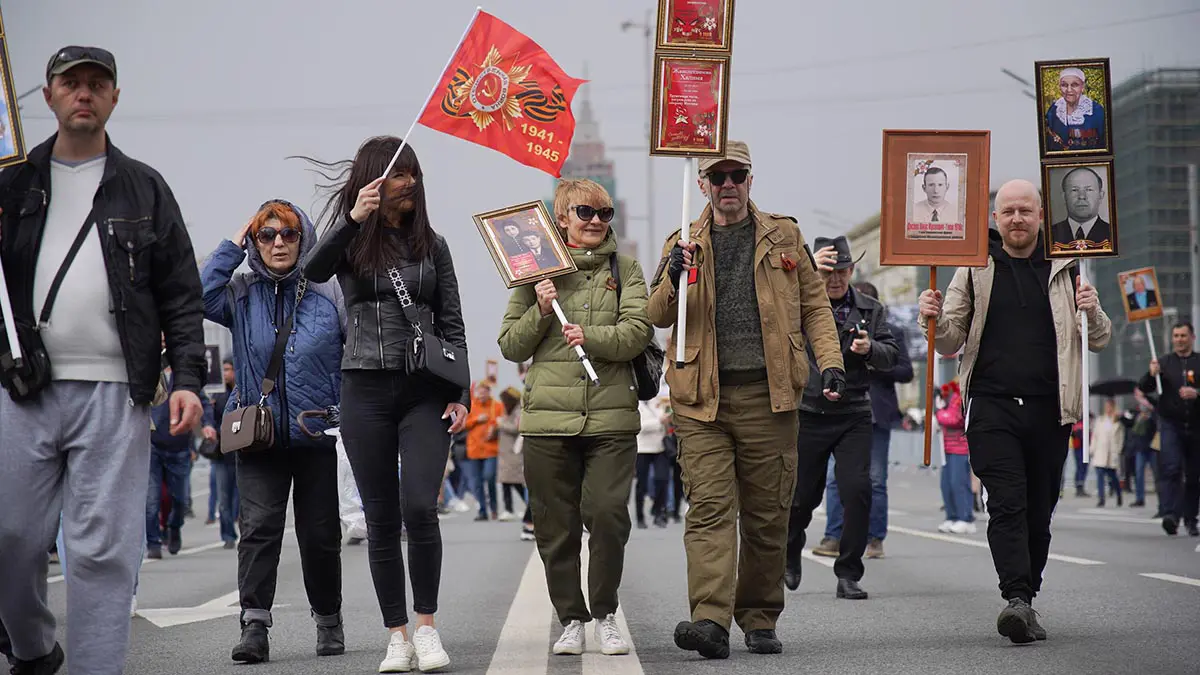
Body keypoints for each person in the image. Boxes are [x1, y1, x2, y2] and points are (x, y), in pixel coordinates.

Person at [0, 45, 206, 674]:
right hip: (19, 389)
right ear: (48, 95)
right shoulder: (10, 185)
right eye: (72, 84)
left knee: (101, 553)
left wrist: (189, 379)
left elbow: (181, 292)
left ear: (114, 97)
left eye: (97, 84)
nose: (84, 93)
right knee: (9, 537)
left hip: (118, 393)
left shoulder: (144, 186)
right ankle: (33, 644)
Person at [647, 140, 844, 659]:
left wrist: (832, 363)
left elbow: (816, 309)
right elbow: (657, 315)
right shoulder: (683, 239)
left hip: (770, 395)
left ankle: (758, 617)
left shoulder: (785, 235)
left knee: (766, 513)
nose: (727, 185)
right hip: (700, 400)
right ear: (703, 185)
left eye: (737, 175)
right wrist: (672, 271)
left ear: (750, 180)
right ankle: (709, 621)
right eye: (718, 177)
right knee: (710, 509)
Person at [918, 178, 1111, 644]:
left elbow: (1099, 338)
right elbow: (948, 341)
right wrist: (931, 316)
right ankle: (1016, 600)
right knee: (1007, 501)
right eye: (1008, 212)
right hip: (992, 405)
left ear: (1041, 215)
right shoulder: (974, 265)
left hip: (1051, 408)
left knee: (1039, 509)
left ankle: (1029, 595)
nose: (1017, 219)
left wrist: (1093, 308)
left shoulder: (1067, 266)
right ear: (995, 219)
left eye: (1026, 211)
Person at [303, 136, 469, 673]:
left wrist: (460, 393)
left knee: (419, 507)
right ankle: (395, 634)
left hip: (423, 392)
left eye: (415, 174)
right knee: (379, 518)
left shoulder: (433, 245)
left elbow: (453, 323)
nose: (411, 183)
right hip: (364, 389)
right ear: (374, 180)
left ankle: (426, 627)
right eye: (400, 175)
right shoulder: (353, 244)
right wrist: (353, 218)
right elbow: (313, 270)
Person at [498, 177, 653, 658]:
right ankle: (570, 617)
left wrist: (590, 336)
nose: (596, 222)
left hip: (611, 417)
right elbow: (511, 345)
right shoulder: (533, 274)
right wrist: (543, 310)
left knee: (607, 515)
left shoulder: (625, 269)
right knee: (554, 526)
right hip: (547, 420)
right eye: (585, 213)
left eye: (605, 214)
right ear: (561, 219)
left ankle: (605, 613)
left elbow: (637, 333)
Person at [202, 199, 347, 662]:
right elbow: (197, 295)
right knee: (260, 530)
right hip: (258, 434)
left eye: (288, 233)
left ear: (303, 239)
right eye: (266, 235)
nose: (278, 243)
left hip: (317, 432)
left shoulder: (328, 288)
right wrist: (231, 244)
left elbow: (353, 348)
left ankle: (328, 620)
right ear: (254, 242)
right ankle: (254, 628)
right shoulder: (240, 293)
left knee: (320, 534)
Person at [786, 236, 900, 600]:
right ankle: (789, 552)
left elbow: (892, 355)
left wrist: (871, 351)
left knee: (857, 490)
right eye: (828, 271)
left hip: (853, 411)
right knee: (802, 497)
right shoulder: (798, 304)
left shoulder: (870, 308)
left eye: (842, 271)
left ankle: (849, 572)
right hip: (810, 411)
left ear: (852, 271)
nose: (835, 279)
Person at [815, 280, 913, 560]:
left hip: (877, 413)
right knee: (835, 478)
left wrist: (872, 357)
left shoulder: (891, 332)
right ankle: (834, 535)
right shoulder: (832, 327)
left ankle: (874, 538)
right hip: (844, 410)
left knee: (876, 479)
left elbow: (904, 370)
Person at [146, 357, 216, 558]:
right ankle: (153, 542)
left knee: (180, 499)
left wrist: (208, 425)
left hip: (179, 448)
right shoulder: (149, 371)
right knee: (152, 500)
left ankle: (174, 527)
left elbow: (203, 403)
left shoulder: (183, 378)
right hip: (153, 447)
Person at [1139, 322, 1200, 537]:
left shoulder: (1198, 361)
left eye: (1183, 335)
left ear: (1192, 337)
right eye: (1176, 335)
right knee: (1171, 468)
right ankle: (1171, 514)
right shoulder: (1163, 362)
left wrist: (1196, 394)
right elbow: (1145, 387)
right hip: (1171, 424)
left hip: (1195, 425)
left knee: (1193, 475)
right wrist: (1150, 373)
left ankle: (1191, 518)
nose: (1179, 339)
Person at [935, 380, 976, 534]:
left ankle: (965, 518)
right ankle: (951, 516)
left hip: (960, 448)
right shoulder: (951, 396)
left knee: (959, 483)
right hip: (946, 447)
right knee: (946, 484)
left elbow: (956, 419)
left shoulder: (962, 396)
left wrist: (939, 412)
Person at [209, 358, 240, 549]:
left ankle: (244, 530)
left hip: (241, 452)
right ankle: (228, 535)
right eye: (224, 370)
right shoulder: (218, 396)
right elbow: (209, 422)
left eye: (229, 369)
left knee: (242, 497)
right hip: (222, 454)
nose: (226, 373)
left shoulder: (244, 393)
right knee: (223, 498)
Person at [464, 380, 503, 522]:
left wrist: (494, 427)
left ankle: (493, 508)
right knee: (476, 482)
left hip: (491, 449)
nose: (481, 395)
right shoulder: (471, 406)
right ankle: (482, 511)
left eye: (483, 392)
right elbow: (464, 424)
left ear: (488, 392)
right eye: (478, 393)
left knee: (489, 477)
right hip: (474, 450)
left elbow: (500, 421)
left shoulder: (497, 406)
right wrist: (476, 420)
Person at [1049, 167, 1112, 253]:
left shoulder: (1113, 234)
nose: (1082, 196)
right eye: (1074, 190)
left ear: (1101, 196)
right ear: (1064, 197)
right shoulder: (1049, 236)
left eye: (1089, 190)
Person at [1044, 67, 1107, 152]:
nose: (1069, 90)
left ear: (1083, 87)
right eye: (1064, 85)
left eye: (1074, 85)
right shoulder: (1053, 110)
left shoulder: (1097, 112)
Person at [635, 391, 672, 529]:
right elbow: (639, 426)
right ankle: (640, 516)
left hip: (660, 447)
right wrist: (659, 422)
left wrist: (667, 420)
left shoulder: (658, 402)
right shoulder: (636, 405)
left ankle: (658, 512)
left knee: (662, 480)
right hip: (643, 448)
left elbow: (667, 419)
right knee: (641, 484)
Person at [496, 385, 530, 527]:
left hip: (514, 452)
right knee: (506, 482)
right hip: (505, 453)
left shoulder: (518, 411)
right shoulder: (507, 410)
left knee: (515, 482)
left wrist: (501, 424)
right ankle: (508, 508)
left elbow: (517, 428)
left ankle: (526, 507)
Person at [1091, 397, 1124, 508]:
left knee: (1113, 477)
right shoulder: (1100, 420)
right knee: (1100, 476)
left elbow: (1120, 439)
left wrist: (1118, 451)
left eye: (1110, 407)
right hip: (1100, 452)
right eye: (1106, 407)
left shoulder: (1117, 421)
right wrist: (1091, 450)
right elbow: (1095, 436)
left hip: (1111, 454)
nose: (1108, 409)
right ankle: (1101, 499)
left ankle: (1119, 494)